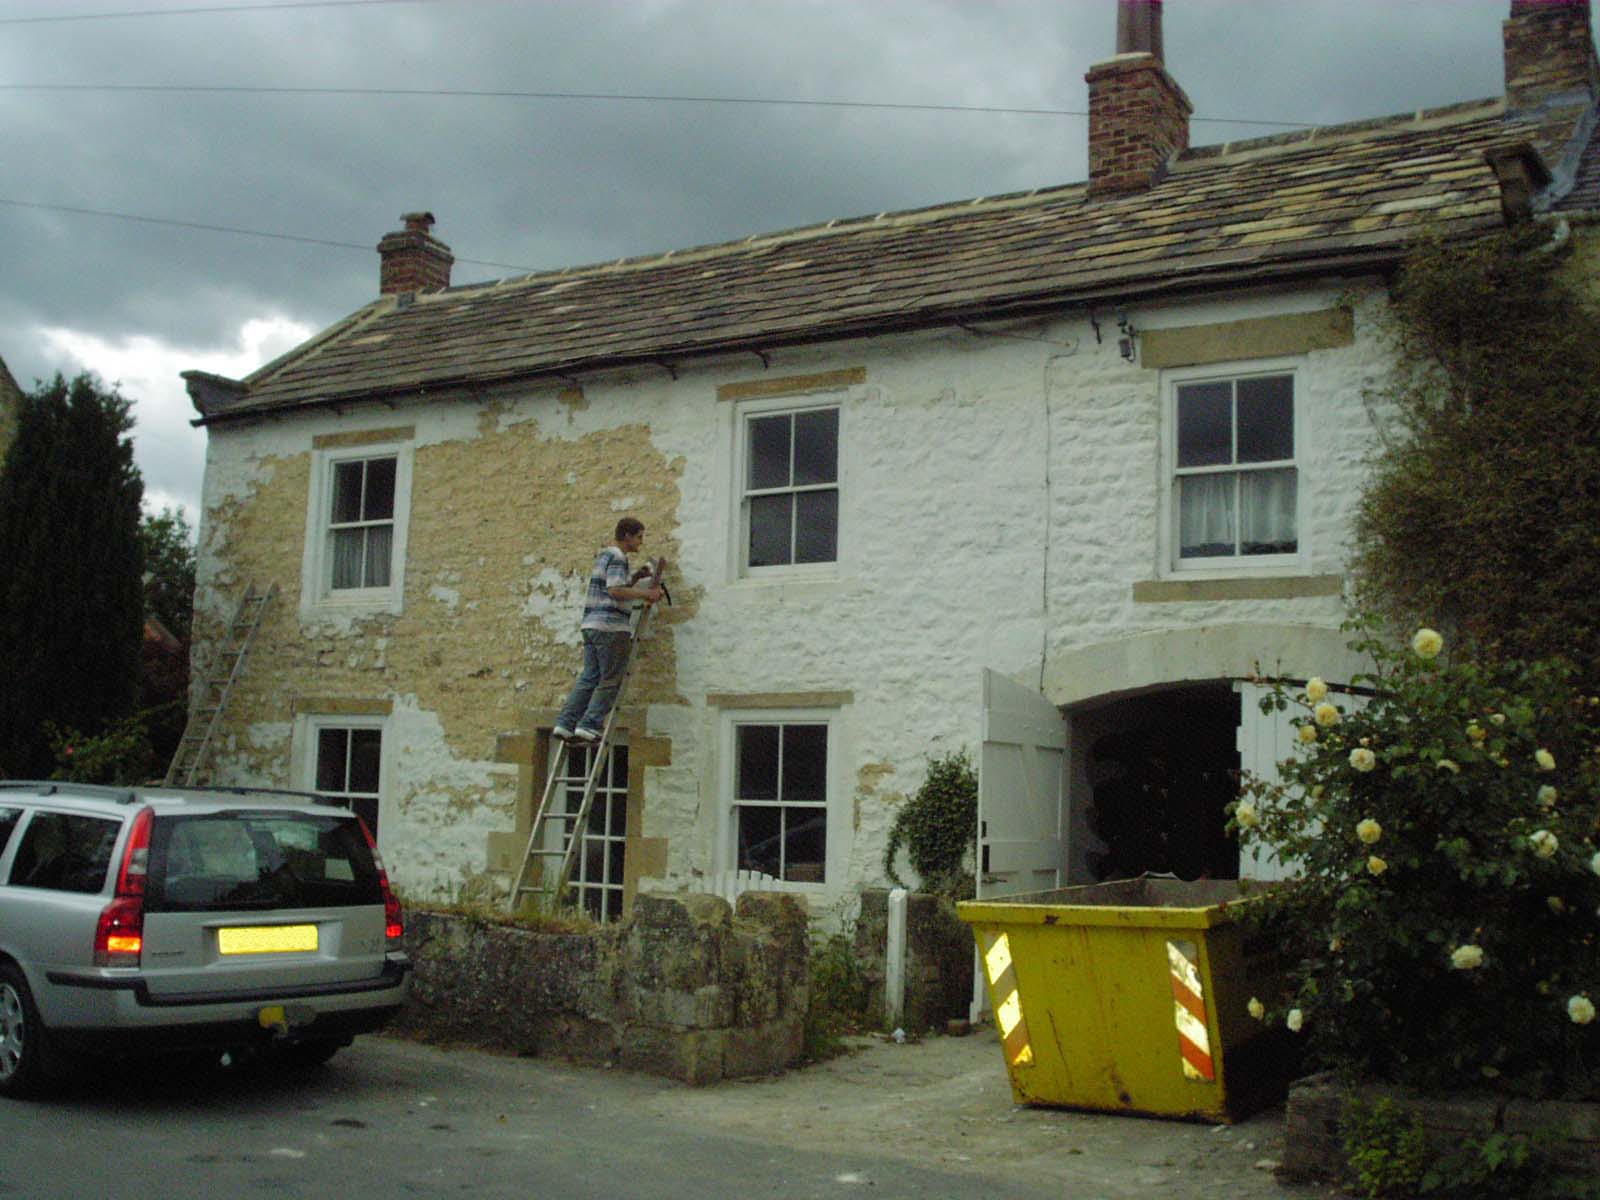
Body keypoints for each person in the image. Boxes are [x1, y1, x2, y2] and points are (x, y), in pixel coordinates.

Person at [553, 517, 664, 742]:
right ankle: (590, 724)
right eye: (639, 537)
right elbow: (614, 591)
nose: (641, 543)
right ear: (627, 536)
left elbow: (613, 586)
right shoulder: (618, 557)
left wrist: (635, 578)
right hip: (610, 627)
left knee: (589, 677)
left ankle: (565, 724)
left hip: (591, 624)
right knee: (611, 679)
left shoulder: (604, 556)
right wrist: (647, 594)